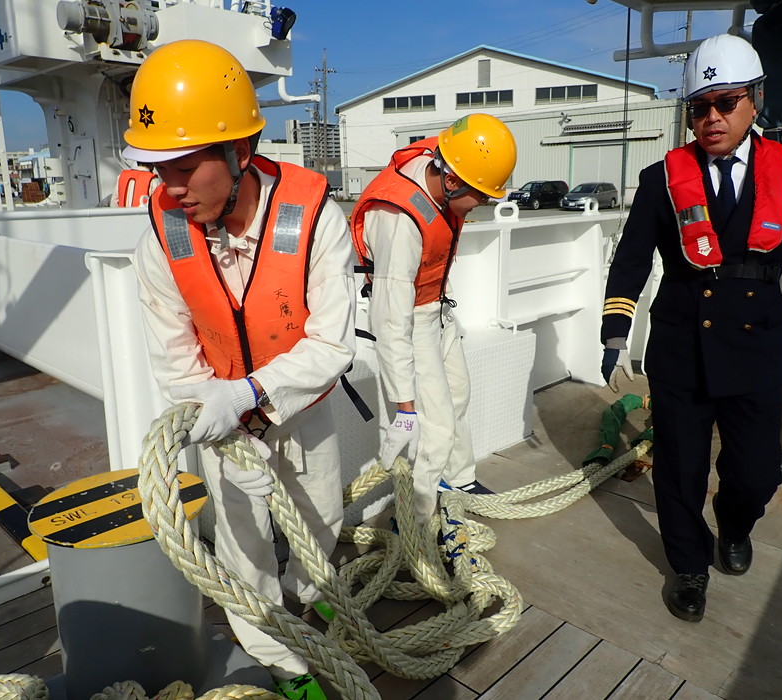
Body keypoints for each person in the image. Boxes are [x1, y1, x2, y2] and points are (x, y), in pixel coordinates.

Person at [123, 39, 355, 700]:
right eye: (157, 168)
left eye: (184, 166)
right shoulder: (161, 238)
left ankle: (308, 595)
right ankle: (279, 662)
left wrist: (253, 394)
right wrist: (222, 418)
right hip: (221, 421)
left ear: (240, 152)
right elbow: (175, 355)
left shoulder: (316, 220)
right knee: (243, 547)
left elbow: (332, 344)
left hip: (299, 407)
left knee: (320, 520)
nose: (168, 187)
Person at [600, 34, 782, 623]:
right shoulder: (662, 177)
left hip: (754, 346)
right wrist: (615, 330)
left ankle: (734, 524)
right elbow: (631, 259)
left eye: (726, 103)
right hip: (681, 344)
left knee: (755, 473)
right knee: (679, 471)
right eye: (699, 107)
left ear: (756, 100)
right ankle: (689, 566)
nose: (711, 118)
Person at [350, 113, 517, 525]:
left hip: (438, 308)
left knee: (458, 395)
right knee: (435, 428)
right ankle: (416, 525)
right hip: (410, 321)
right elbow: (391, 320)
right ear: (453, 181)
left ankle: (459, 482)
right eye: (482, 197)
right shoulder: (399, 219)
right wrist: (405, 409)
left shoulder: (445, 167)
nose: (482, 205)